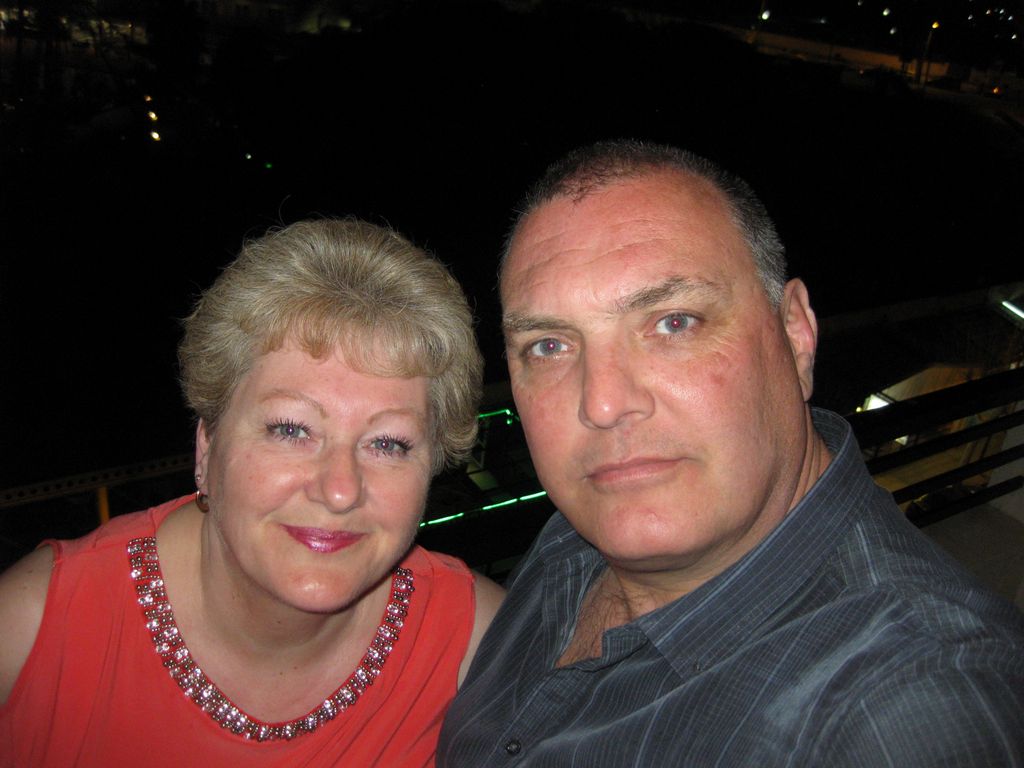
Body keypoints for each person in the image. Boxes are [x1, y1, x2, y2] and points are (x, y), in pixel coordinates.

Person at [437, 140, 1024, 766]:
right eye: (549, 346)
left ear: (796, 335)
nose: (602, 405)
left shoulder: (914, 707)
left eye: (674, 322)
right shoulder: (580, 532)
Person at [0, 218, 504, 767]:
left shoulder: (482, 645)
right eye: (291, 430)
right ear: (207, 445)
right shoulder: (28, 633)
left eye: (387, 443)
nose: (339, 491)